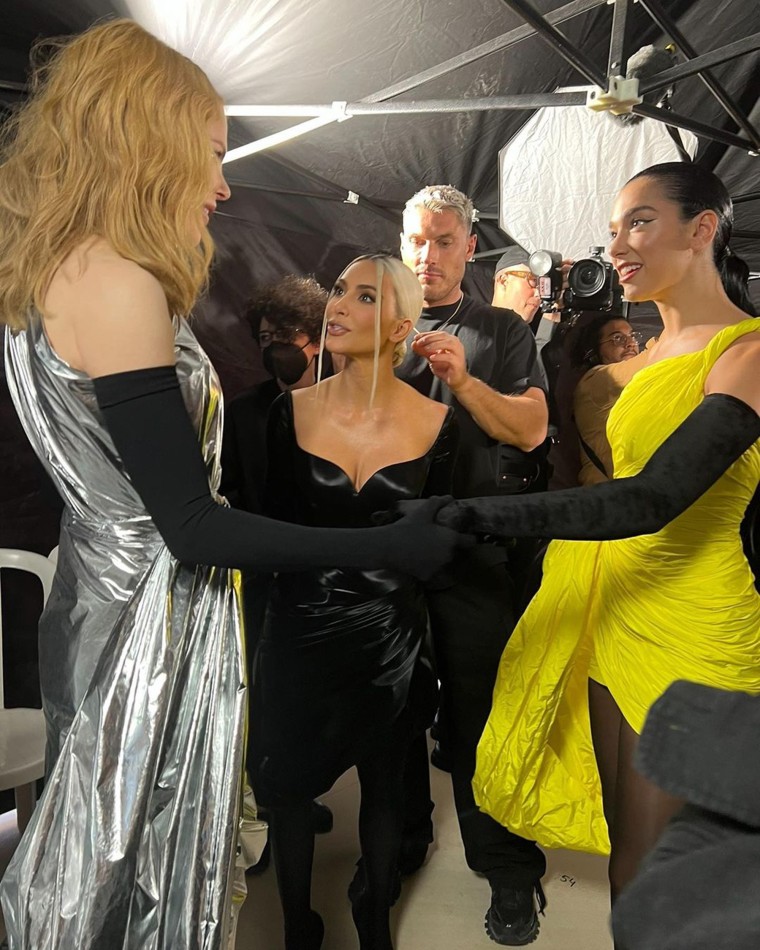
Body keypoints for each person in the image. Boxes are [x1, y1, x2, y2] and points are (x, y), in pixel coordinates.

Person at [0, 21, 463, 950]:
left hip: (107, 593)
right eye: (210, 154)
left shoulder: (55, 267)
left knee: (102, 844)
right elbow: (191, 528)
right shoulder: (119, 283)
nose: (221, 183)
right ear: (144, 139)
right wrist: (383, 544)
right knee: (120, 862)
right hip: (149, 619)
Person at [426, 162, 760, 910]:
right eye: (612, 231)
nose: (617, 245)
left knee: (654, 879)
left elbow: (650, 499)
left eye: (640, 222)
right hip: (609, 610)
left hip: (691, 623)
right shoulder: (638, 364)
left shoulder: (748, 352)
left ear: (703, 228)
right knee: (625, 862)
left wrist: (473, 516)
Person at [250, 253, 458, 950]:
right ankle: (296, 925)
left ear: (400, 325)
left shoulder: (439, 422)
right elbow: (271, 529)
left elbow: (443, 544)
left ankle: (374, 916)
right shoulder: (290, 412)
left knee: (387, 781)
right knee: (285, 786)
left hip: (389, 635)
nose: (336, 304)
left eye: (362, 296)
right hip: (300, 626)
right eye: (336, 289)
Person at [397, 185, 550, 946]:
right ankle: (398, 845)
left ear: (469, 248)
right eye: (418, 240)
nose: (428, 255)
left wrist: (462, 379)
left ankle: (510, 873)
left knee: (480, 716)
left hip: (473, 556)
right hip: (382, 554)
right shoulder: (369, 321)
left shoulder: (497, 329)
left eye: (444, 241)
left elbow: (530, 429)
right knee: (388, 710)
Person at [221, 274, 326, 512]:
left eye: (286, 335)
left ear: (318, 341)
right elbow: (229, 487)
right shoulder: (243, 411)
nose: (275, 346)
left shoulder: (340, 404)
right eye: (266, 338)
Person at [570, 315, 647, 484]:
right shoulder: (596, 379)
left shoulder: (636, 385)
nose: (630, 343)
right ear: (595, 350)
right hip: (604, 494)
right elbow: (654, 360)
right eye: (617, 338)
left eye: (633, 336)